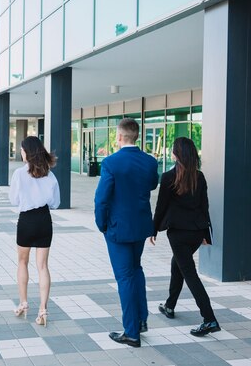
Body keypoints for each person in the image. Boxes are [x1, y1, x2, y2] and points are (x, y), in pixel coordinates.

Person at [94, 118, 158, 347]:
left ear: (119, 137)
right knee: (136, 270)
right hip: (140, 227)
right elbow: (152, 184)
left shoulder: (111, 162)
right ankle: (141, 320)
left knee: (125, 278)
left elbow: (101, 198)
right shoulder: (150, 162)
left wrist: (101, 224)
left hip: (118, 230)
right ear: (137, 137)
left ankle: (132, 332)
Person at [151, 137, 220, 337]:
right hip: (196, 233)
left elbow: (161, 207)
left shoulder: (168, 177)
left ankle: (209, 319)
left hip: (178, 234)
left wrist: (153, 230)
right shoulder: (200, 176)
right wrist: (206, 235)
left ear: (176, 154)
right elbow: (204, 208)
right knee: (178, 265)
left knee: (189, 273)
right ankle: (170, 305)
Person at [9, 136, 60, 327]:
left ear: (27, 152)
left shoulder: (19, 174)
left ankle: (23, 303)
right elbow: (56, 203)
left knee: (23, 262)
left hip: (27, 220)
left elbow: (14, 200)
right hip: (44, 220)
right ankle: (43, 309)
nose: (21, 153)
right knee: (43, 266)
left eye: (22, 150)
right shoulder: (50, 174)